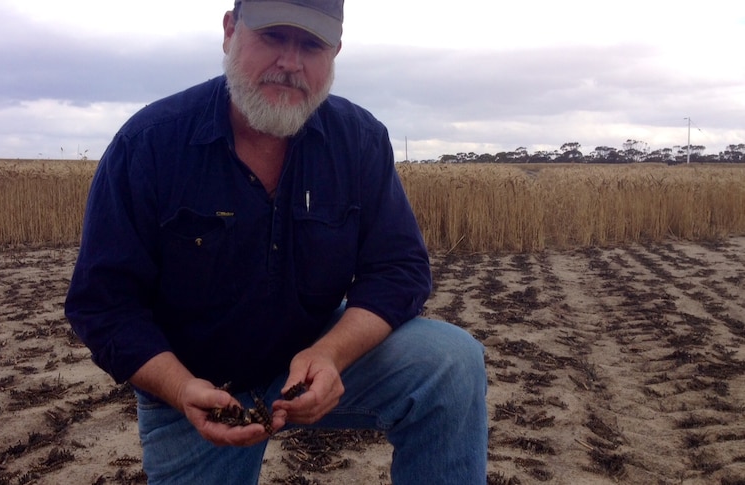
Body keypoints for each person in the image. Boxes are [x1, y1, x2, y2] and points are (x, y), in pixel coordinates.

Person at [64, 0, 487, 483]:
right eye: (272, 37)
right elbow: (103, 304)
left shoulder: (360, 140)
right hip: (196, 388)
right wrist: (180, 388)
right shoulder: (148, 145)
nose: (290, 63)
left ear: (336, 51)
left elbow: (399, 269)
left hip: (314, 358)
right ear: (229, 31)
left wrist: (331, 354)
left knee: (451, 364)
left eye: (311, 45)